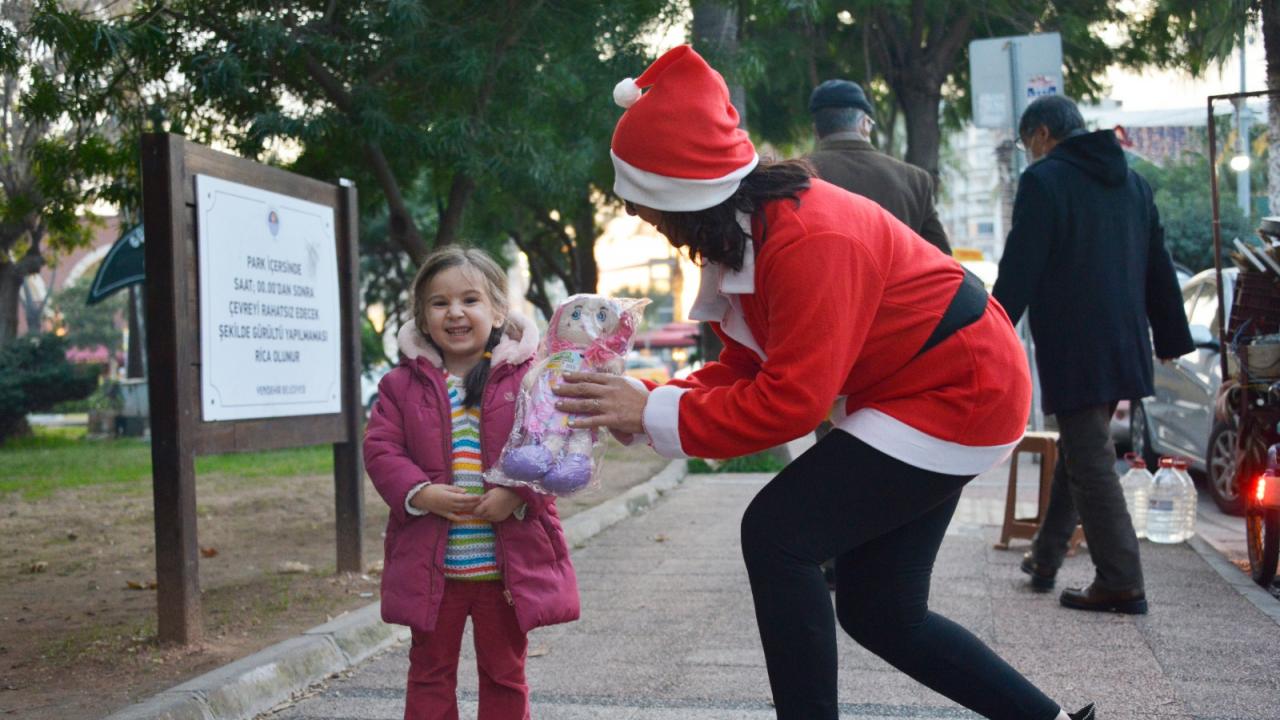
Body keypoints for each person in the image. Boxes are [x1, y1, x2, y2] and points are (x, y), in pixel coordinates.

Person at [558, 45, 1095, 720]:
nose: (640, 220)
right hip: (929, 383)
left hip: (958, 388)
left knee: (777, 534)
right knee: (883, 615)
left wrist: (653, 411)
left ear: (687, 197)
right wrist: (643, 403)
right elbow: (749, 368)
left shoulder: (809, 238)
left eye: (644, 203)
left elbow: (791, 400)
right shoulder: (745, 233)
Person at [992, 95, 1192, 614]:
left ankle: (1121, 579)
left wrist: (989, 330)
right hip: (1123, 341)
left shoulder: (1043, 182)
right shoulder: (1133, 183)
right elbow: (1158, 268)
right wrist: (1170, 339)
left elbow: (1021, 268)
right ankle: (1045, 558)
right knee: (1083, 450)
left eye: (1025, 143)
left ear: (1040, 134)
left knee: (1092, 460)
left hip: (1075, 345)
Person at [363, 247, 580, 720]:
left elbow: (555, 445)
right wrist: (420, 493)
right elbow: (381, 450)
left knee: (504, 675)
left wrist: (515, 494)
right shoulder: (401, 385)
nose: (455, 312)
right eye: (439, 302)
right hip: (431, 569)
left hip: (506, 570)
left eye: (470, 300)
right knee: (428, 674)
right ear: (421, 314)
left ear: (498, 309)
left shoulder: (529, 377)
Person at [806, 78, 951, 255]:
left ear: (816, 130)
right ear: (864, 124)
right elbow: (941, 257)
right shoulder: (915, 180)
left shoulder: (795, 177)